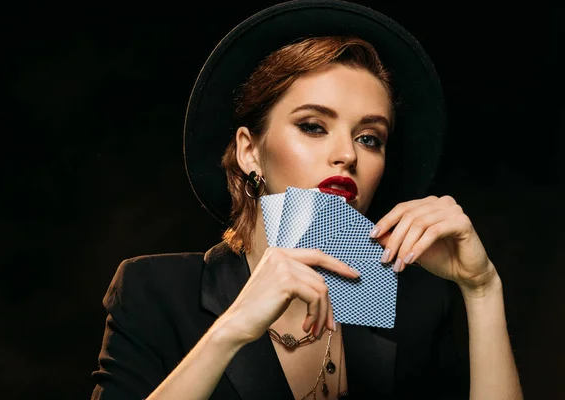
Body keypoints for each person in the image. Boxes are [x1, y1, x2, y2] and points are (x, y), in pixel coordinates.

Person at [90, 1, 523, 399]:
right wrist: (233, 329)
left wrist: (482, 289)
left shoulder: (416, 307)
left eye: (369, 138)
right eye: (314, 126)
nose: (348, 154)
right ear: (249, 151)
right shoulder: (153, 292)